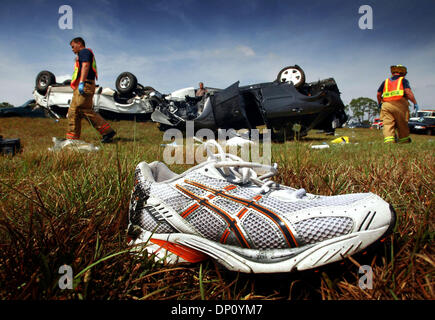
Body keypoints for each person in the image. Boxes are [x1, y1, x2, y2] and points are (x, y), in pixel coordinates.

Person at [67, 37, 116, 143]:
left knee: (83, 110)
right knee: (73, 111)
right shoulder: (82, 54)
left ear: (79, 44)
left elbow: (85, 65)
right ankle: (72, 138)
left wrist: (81, 82)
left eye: (73, 46)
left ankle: (107, 131)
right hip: (85, 84)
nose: (72, 49)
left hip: (85, 84)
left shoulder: (84, 52)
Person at [377, 64, 418, 143]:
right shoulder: (403, 80)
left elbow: (378, 94)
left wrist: (379, 103)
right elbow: (408, 92)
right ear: (403, 73)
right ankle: (404, 141)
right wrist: (415, 103)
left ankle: (389, 142)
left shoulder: (386, 81)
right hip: (400, 104)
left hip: (386, 105)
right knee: (402, 123)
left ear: (393, 72)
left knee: (388, 124)